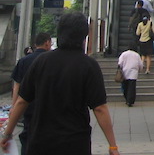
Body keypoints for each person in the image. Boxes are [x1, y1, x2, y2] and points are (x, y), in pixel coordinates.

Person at [0, 12, 118, 155]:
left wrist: (7, 134)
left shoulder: (41, 62)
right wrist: (112, 146)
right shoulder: (89, 66)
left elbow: (21, 102)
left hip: (40, 142)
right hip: (74, 143)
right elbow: (100, 108)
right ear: (84, 36)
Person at [9, 32, 52, 154]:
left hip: (28, 106)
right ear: (47, 42)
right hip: (47, 107)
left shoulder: (23, 61)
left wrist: (14, 106)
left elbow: (17, 85)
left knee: (27, 135)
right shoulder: (52, 61)